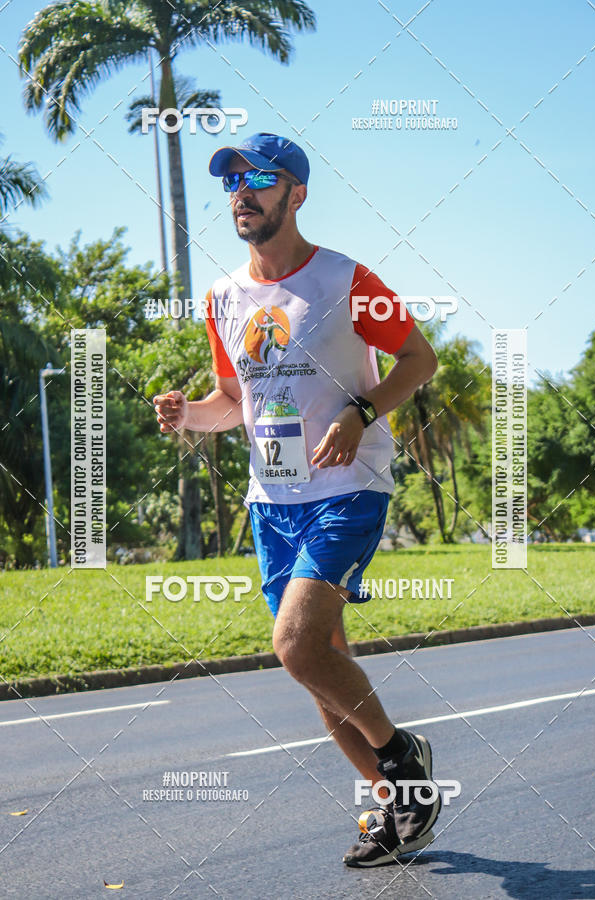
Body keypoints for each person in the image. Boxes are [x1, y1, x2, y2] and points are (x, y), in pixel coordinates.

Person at [154, 133, 440, 866]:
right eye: (231, 182)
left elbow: (420, 359)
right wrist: (188, 416)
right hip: (272, 501)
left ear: (297, 192)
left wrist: (361, 412)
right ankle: (397, 804)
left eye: (258, 178)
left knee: (295, 645)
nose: (241, 193)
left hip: (347, 488)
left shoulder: (347, 278)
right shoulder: (222, 298)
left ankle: (403, 759)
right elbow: (231, 402)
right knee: (317, 664)